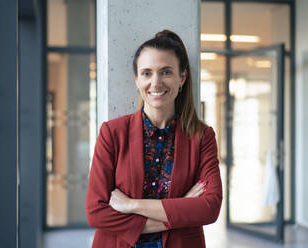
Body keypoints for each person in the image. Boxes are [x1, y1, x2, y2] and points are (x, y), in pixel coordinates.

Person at [86, 29, 222, 248]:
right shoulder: (112, 133)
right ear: (137, 80)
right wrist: (182, 209)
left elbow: (210, 207)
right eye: (147, 73)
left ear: (182, 77)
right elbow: (96, 212)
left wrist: (131, 205)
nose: (156, 82)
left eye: (166, 72)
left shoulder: (202, 137)